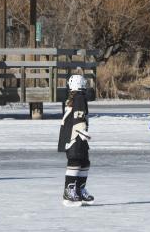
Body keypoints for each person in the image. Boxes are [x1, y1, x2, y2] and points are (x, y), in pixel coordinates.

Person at [59, 74, 93, 206]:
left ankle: (80, 188)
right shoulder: (79, 97)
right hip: (75, 136)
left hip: (76, 135)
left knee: (84, 162)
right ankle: (70, 190)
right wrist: (82, 131)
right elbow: (79, 115)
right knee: (75, 160)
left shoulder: (75, 97)